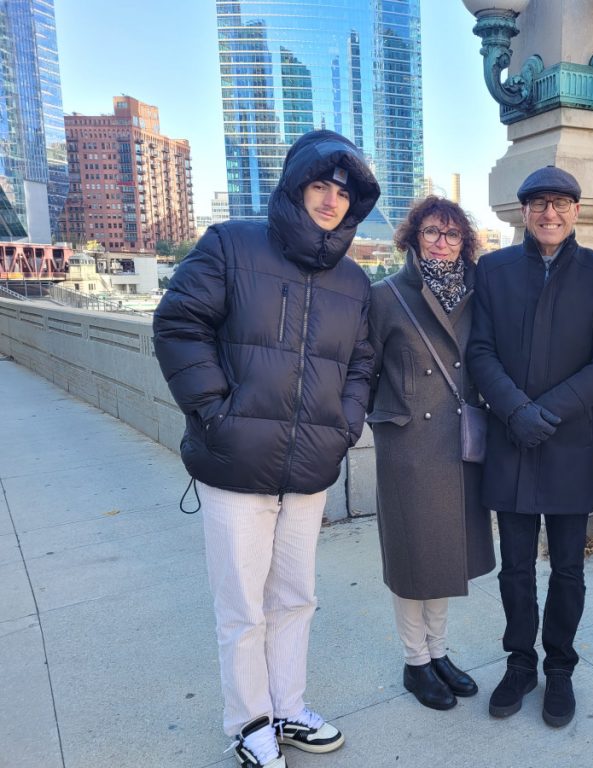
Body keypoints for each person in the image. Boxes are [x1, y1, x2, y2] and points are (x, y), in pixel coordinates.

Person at [153, 130, 380, 768]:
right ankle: (249, 722)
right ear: (295, 187)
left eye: (343, 192)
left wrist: (344, 424)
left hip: (309, 467)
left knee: (295, 597)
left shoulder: (355, 281)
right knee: (242, 606)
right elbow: (178, 324)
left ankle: (288, 706)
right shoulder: (231, 244)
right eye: (320, 186)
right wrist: (214, 413)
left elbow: (363, 363)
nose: (331, 201)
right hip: (234, 462)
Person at [467, 166, 593, 729]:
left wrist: (549, 410)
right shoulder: (492, 270)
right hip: (510, 439)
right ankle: (520, 663)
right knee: (514, 568)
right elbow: (480, 350)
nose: (550, 214)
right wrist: (515, 409)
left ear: (576, 211)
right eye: (539, 204)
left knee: (567, 569)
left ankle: (559, 668)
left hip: (568, 441)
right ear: (523, 212)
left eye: (561, 203)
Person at [367, 196, 496, 711]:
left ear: (465, 242)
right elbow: (364, 370)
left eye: (452, 234)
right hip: (410, 447)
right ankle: (414, 661)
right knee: (411, 558)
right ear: (412, 238)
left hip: (460, 443)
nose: (442, 242)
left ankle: (438, 653)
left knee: (446, 556)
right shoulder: (386, 297)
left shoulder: (477, 294)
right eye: (431, 232)